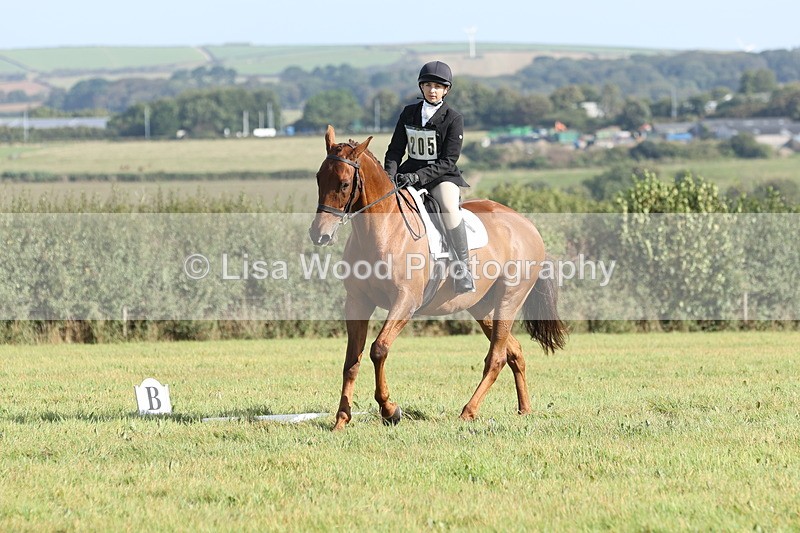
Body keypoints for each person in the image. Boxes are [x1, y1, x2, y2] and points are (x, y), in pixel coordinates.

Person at [384, 60, 475, 293]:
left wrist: (417, 178)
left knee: (448, 206)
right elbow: (395, 150)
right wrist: (389, 176)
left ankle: (463, 269)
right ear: (421, 87)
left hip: (441, 177)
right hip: (407, 174)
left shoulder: (453, 119)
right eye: (428, 85)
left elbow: (448, 161)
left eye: (437, 86)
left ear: (446, 90)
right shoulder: (408, 113)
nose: (432, 90)